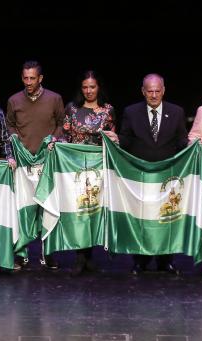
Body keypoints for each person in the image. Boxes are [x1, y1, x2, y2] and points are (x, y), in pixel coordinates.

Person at [105, 73, 188, 276]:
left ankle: (165, 260)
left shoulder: (176, 112)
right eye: (149, 91)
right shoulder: (131, 112)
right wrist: (117, 139)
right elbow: (127, 139)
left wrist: (193, 146)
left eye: (157, 91)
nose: (153, 95)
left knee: (166, 218)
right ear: (143, 91)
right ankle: (140, 260)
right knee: (142, 219)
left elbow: (181, 141)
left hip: (167, 177)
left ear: (163, 90)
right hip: (140, 176)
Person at [6, 60, 65, 270]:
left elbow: (61, 123)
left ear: (40, 78)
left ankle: (48, 253)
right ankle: (21, 253)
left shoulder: (54, 99)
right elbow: (10, 124)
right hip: (23, 163)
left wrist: (54, 139)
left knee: (47, 207)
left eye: (33, 78)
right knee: (23, 209)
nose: (28, 82)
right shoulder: (14, 100)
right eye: (25, 78)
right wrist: (14, 139)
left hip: (47, 162)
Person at [58, 70, 115, 275]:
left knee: (93, 210)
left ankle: (89, 256)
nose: (89, 91)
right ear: (80, 89)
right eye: (85, 87)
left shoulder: (108, 110)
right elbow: (65, 135)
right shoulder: (72, 109)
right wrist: (56, 145)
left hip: (97, 169)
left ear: (98, 87)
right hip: (74, 167)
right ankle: (79, 257)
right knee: (79, 209)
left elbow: (112, 137)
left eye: (92, 86)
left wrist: (115, 138)